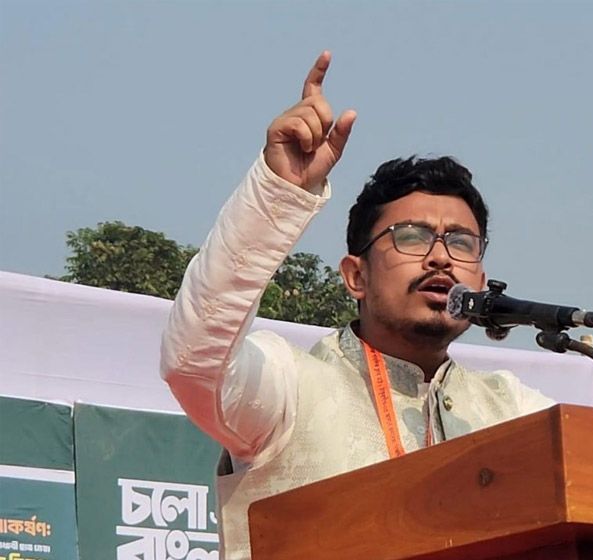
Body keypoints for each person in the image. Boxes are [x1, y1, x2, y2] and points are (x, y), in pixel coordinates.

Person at [159, 52, 556, 559]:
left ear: (480, 279)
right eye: (411, 236)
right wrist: (279, 193)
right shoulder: (289, 386)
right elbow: (193, 360)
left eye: (460, 242)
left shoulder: (512, 411)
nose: (439, 257)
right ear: (356, 276)